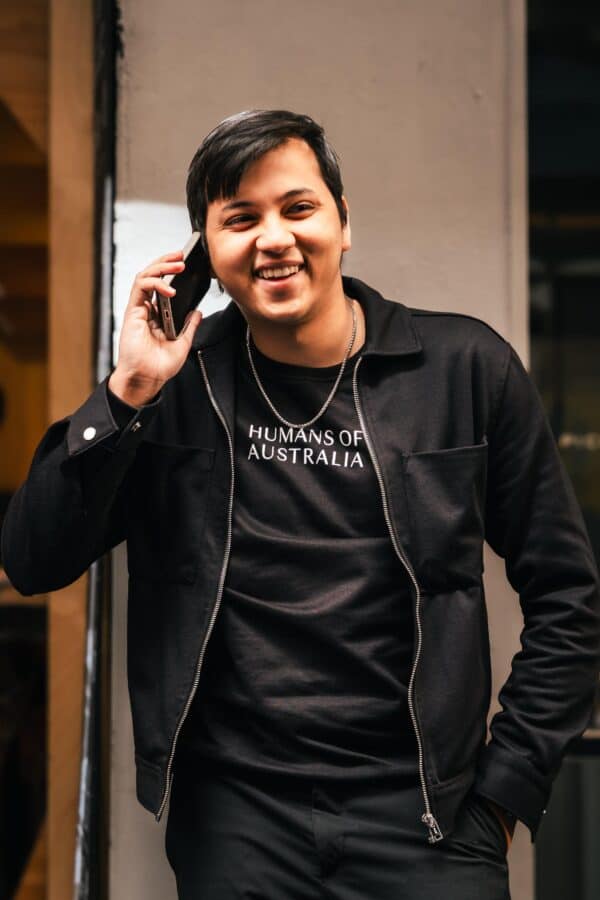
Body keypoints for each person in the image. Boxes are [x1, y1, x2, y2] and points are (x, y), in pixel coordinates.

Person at [2, 109, 599, 899]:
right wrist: (129, 391)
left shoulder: (464, 369)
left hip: (427, 819)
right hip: (240, 823)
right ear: (205, 256)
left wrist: (504, 791)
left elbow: (569, 595)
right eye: (239, 219)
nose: (273, 238)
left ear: (344, 223)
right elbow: (33, 558)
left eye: (298, 207)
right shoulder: (173, 390)